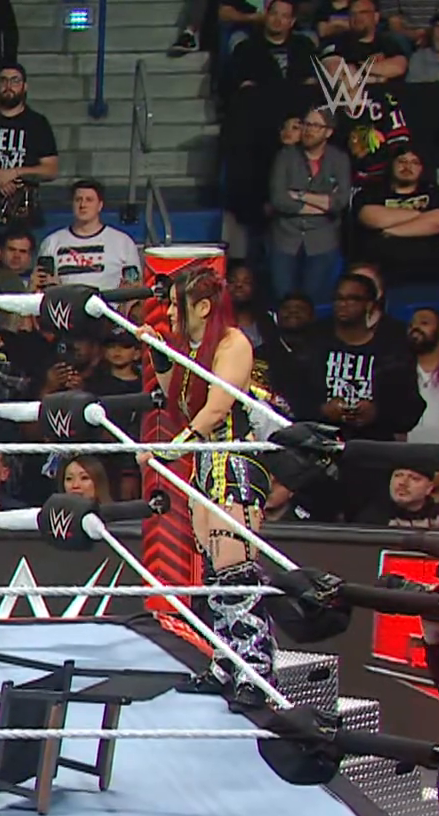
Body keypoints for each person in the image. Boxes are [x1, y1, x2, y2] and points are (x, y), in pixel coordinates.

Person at [141, 266, 277, 705]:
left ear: (202, 307)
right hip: (205, 459)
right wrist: (161, 355)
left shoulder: (232, 343)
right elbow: (179, 400)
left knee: (235, 563)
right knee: (215, 568)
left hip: (235, 457)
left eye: (175, 305)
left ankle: (255, 670)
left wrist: (169, 450)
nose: (169, 314)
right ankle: (226, 660)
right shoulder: (194, 349)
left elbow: (216, 409)